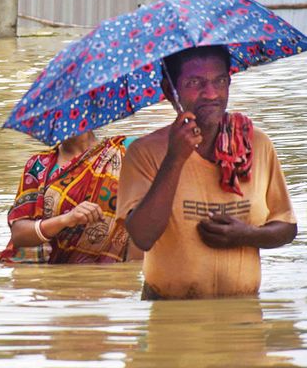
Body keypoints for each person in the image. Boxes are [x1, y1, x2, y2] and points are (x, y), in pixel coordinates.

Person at [116, 45, 297, 299]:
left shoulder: (255, 145)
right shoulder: (145, 153)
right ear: (170, 91)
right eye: (194, 82)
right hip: (171, 315)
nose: (211, 94)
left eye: (219, 81)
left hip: (243, 320)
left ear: (229, 83)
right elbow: (142, 237)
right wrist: (175, 159)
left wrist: (246, 235)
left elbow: (287, 228)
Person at [0, 131, 142, 264]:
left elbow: (152, 216)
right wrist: (66, 219)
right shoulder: (39, 165)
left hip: (115, 275)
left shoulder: (128, 150)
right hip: (56, 276)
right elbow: (19, 234)